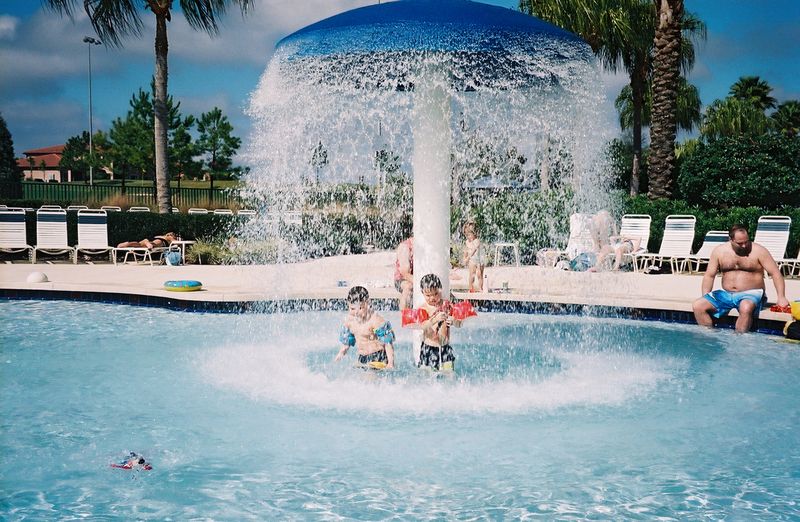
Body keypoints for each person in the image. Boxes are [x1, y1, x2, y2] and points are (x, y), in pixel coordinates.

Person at [692, 224, 789, 333]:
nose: (744, 246)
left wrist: (781, 297)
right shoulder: (719, 251)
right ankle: (709, 336)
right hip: (726, 294)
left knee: (745, 307)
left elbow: (776, 274)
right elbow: (709, 275)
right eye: (739, 243)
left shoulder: (759, 251)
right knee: (698, 305)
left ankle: (739, 339)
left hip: (752, 293)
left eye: (746, 242)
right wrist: (705, 295)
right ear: (731, 239)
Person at [408, 273, 462, 372]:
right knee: (429, 374)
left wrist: (454, 321)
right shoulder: (423, 308)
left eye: (436, 294)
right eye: (428, 295)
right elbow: (422, 326)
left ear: (440, 290)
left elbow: (460, 324)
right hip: (429, 348)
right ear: (422, 293)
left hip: (445, 348)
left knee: (449, 373)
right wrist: (435, 320)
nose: (432, 298)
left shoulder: (447, 305)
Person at [335, 286, 396, 369]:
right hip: (362, 358)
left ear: (367, 303)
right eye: (352, 309)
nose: (356, 312)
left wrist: (391, 363)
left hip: (378, 357)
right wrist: (340, 355)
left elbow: (387, 342)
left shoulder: (375, 320)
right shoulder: (349, 322)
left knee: (369, 376)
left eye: (360, 308)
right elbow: (347, 343)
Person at [462, 222, 486, 292]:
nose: (467, 237)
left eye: (469, 235)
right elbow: (466, 250)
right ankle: (471, 288)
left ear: (474, 233)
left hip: (479, 261)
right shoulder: (467, 242)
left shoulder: (477, 241)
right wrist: (464, 258)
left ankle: (480, 288)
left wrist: (467, 258)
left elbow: (474, 250)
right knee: (471, 275)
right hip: (472, 260)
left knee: (479, 275)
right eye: (466, 235)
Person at [394, 237, 413, 309]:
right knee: (408, 287)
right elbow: (404, 273)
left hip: (417, 278)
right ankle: (404, 313)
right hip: (402, 279)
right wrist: (418, 282)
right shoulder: (405, 247)